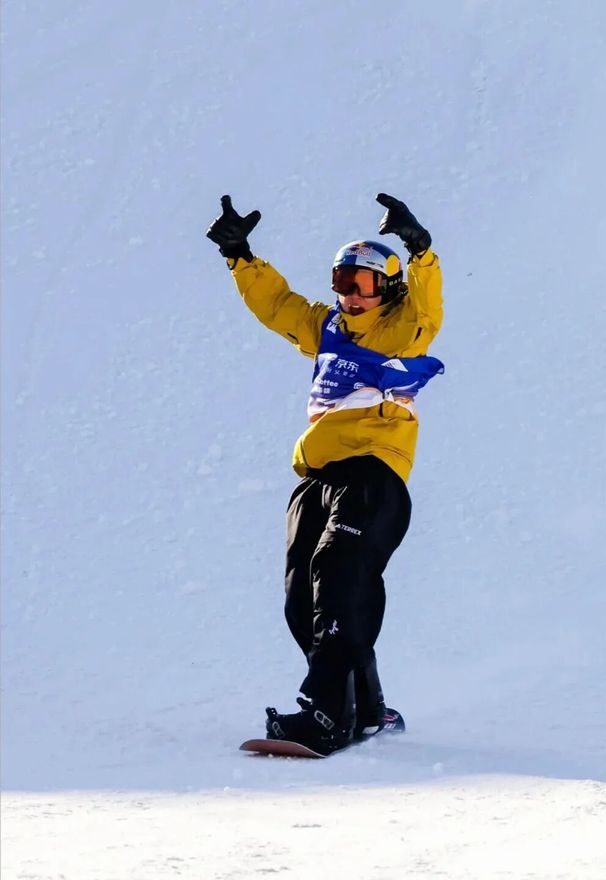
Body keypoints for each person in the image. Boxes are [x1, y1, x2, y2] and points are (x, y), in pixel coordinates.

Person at [207, 193, 444, 754]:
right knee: (303, 598)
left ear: (388, 288)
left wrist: (420, 250)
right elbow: (279, 305)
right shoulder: (328, 328)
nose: (350, 294)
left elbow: (427, 309)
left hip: (372, 474)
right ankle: (366, 707)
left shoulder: (402, 327)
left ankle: (328, 714)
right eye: (342, 281)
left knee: (340, 577)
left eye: (362, 284)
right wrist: (240, 256)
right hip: (318, 477)